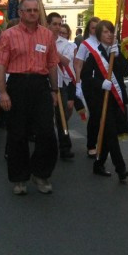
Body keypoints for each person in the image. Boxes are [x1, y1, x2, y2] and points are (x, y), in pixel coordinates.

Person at [0, 0, 59, 195]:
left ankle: (41, 173)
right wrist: (3, 92)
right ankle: (19, 178)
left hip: (40, 85)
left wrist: (54, 90)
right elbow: (0, 65)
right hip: (18, 84)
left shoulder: (47, 35)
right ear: (20, 13)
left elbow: (52, 64)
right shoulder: (8, 35)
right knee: (17, 134)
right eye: (28, 10)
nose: (32, 14)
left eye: (35, 10)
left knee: (46, 132)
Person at [81, 20, 128, 181]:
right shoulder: (95, 54)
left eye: (111, 31)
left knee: (111, 134)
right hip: (101, 100)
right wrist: (100, 83)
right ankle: (121, 169)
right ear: (99, 35)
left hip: (117, 98)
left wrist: (118, 55)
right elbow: (85, 77)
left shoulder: (117, 50)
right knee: (111, 134)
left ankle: (99, 164)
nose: (109, 35)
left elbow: (127, 71)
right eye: (105, 32)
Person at [47, 12, 76, 159]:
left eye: (60, 24)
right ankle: (47, 147)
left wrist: (51, 49)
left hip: (60, 84)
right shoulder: (40, 40)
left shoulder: (66, 44)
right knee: (45, 117)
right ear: (48, 24)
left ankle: (65, 147)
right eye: (54, 24)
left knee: (62, 116)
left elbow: (65, 61)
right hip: (43, 83)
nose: (58, 27)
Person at [74, 16, 101, 157]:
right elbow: (78, 64)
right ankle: (91, 144)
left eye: (98, 27)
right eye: (93, 27)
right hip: (89, 83)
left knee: (103, 115)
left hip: (104, 84)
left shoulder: (106, 42)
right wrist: (78, 83)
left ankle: (102, 141)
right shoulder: (86, 44)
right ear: (89, 30)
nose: (96, 30)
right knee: (95, 114)